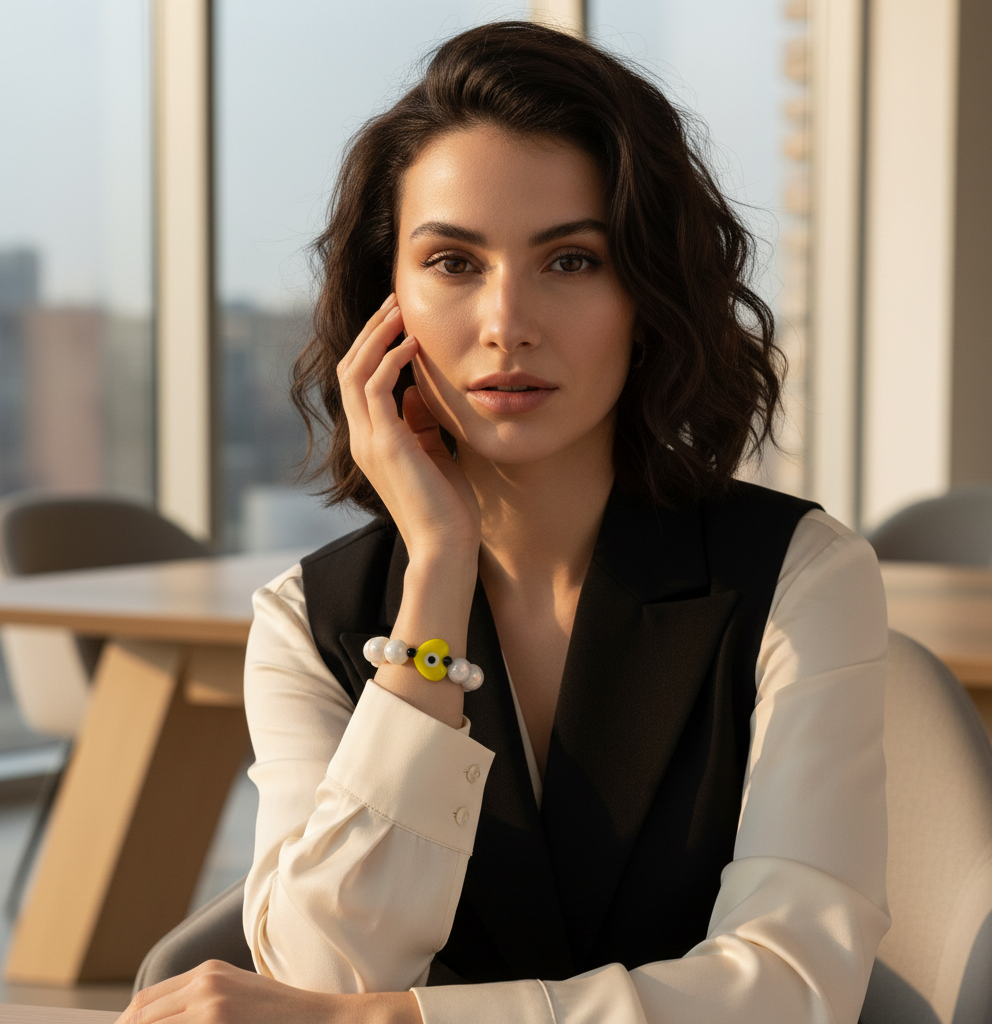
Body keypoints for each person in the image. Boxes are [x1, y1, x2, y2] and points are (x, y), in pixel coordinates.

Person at [121, 20, 889, 1024]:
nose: (505, 322)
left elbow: (793, 984)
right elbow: (321, 974)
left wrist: (400, 1021)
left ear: (645, 297)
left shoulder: (798, 575)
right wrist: (435, 577)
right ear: (382, 305)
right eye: (452, 263)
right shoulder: (307, 619)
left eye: (568, 262)